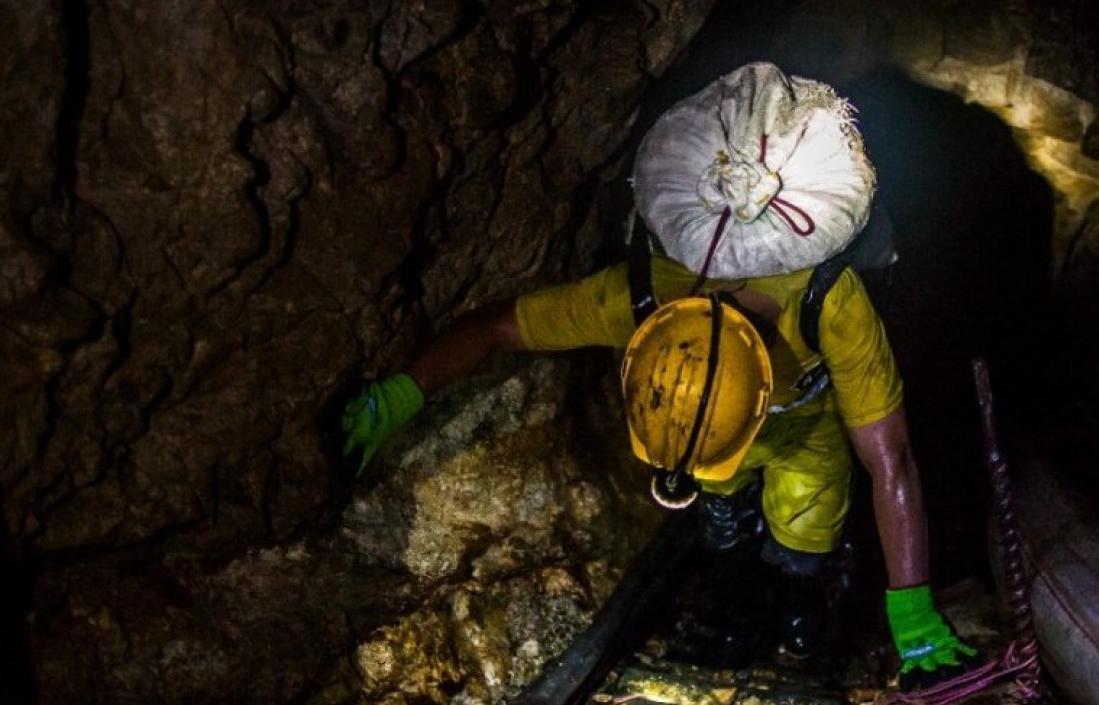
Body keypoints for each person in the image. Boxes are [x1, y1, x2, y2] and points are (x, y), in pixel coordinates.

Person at [340, 244, 980, 689]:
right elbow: (500, 326)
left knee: (805, 540)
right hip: (705, 443)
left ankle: (803, 619)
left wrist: (913, 611)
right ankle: (740, 621)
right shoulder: (640, 293)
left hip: (805, 435)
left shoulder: (830, 303)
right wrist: (401, 394)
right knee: (722, 525)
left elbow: (891, 459)